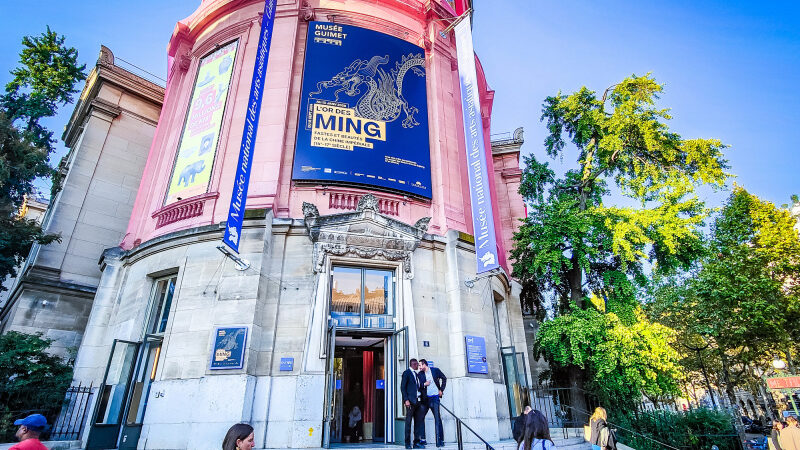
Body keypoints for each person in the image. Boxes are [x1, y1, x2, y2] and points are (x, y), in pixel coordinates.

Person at [418, 359, 448, 447]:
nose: (419, 367)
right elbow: (418, 386)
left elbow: (444, 378)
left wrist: (441, 390)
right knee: (420, 418)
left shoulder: (435, 370)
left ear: (424, 365)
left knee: (437, 418)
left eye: (420, 365)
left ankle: (440, 440)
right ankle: (423, 439)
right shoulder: (420, 374)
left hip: (435, 398)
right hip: (425, 399)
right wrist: (424, 384)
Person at [401, 358, 424, 449]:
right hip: (410, 402)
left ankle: (416, 443)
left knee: (418, 423)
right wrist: (406, 400)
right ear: (412, 364)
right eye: (416, 364)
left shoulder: (416, 374)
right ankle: (407, 443)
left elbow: (417, 387)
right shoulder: (407, 373)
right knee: (408, 423)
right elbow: (403, 387)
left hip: (418, 401)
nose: (418, 366)